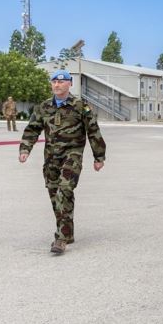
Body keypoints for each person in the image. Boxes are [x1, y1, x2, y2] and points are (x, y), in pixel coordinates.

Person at [18, 69, 106, 254]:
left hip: (72, 155)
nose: (57, 85)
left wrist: (99, 157)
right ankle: (68, 231)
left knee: (64, 189)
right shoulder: (43, 107)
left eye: (61, 82)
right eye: (54, 82)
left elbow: (93, 131)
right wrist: (25, 149)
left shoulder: (81, 106)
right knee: (54, 195)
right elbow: (32, 129)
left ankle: (60, 238)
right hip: (51, 158)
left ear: (69, 84)